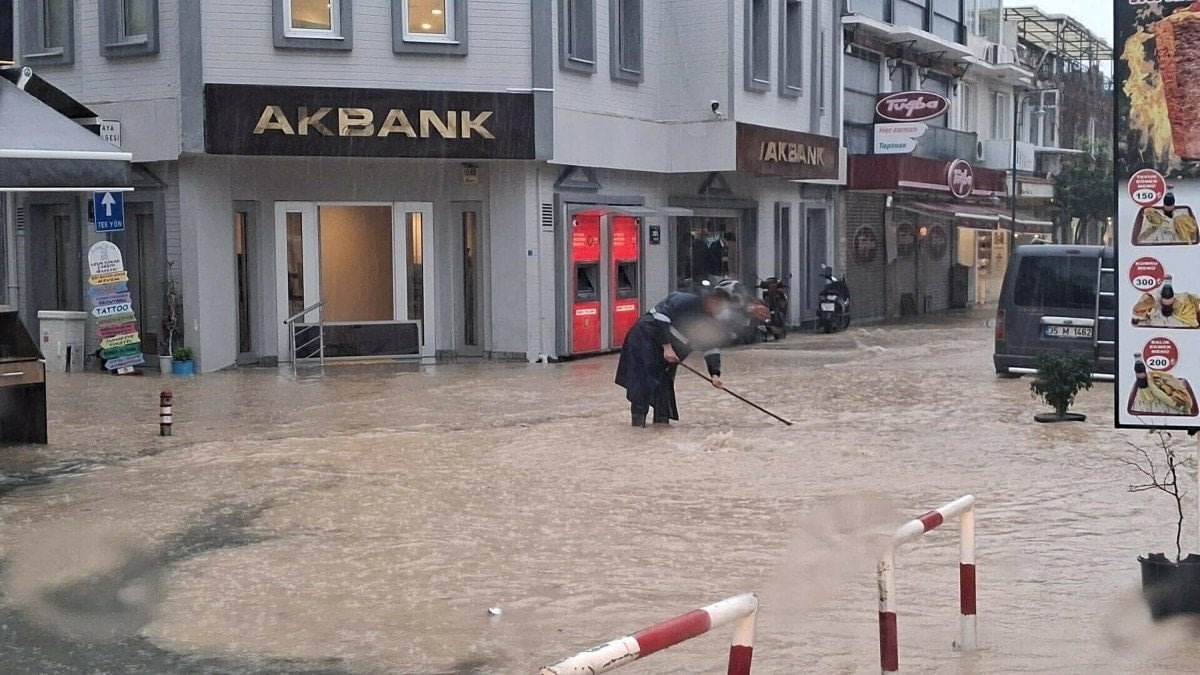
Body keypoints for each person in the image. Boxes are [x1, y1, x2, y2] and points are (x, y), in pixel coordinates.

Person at [615, 288, 764, 427]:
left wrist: (715, 374)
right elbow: (661, 317)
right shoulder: (684, 300)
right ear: (710, 299)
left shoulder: (710, 320)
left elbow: (710, 347)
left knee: (664, 386)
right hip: (646, 339)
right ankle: (638, 424)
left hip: (670, 350)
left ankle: (661, 425)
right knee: (643, 381)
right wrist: (667, 347)